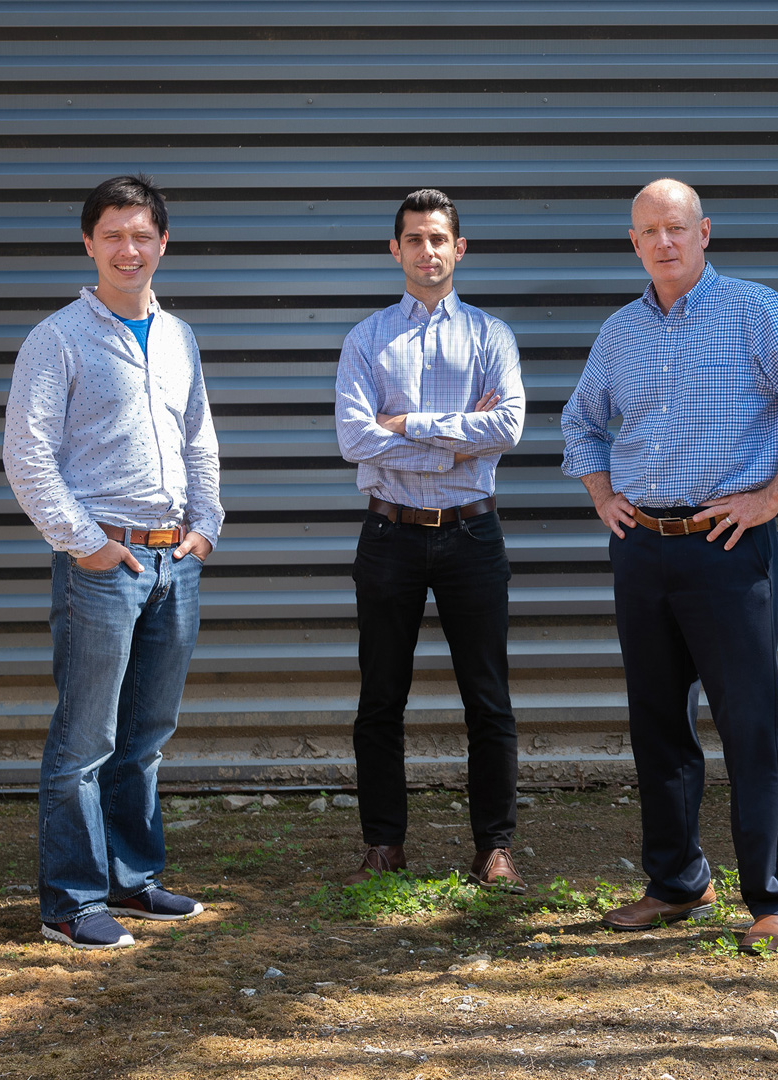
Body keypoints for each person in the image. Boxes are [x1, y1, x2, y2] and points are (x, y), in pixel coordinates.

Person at [560, 178, 778, 953]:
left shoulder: (755, 312)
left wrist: (771, 497)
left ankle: (776, 901)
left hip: (727, 549)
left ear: (705, 233)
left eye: (678, 228)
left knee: (750, 724)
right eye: (649, 232)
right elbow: (580, 422)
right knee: (657, 723)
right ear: (633, 243)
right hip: (642, 551)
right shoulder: (621, 331)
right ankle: (677, 882)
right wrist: (602, 497)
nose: (665, 242)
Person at [3, 174, 221, 949]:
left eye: (142, 235)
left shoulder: (177, 335)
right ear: (89, 244)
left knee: (146, 735)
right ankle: (70, 900)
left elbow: (198, 435)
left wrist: (206, 526)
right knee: (85, 737)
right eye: (112, 235)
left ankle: (132, 878)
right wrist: (85, 543)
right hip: (104, 562)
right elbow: (27, 455)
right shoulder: (57, 338)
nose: (128, 249)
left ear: (164, 243)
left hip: (174, 559)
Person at [333, 188, 527, 891]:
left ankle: (494, 848)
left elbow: (507, 429)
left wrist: (404, 425)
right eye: (414, 239)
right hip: (391, 535)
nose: (427, 250)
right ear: (396, 250)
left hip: (473, 535)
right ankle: (385, 845)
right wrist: (453, 441)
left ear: (459, 248)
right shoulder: (366, 339)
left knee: (489, 699)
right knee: (381, 697)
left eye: (439, 238)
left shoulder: (490, 336)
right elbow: (354, 437)